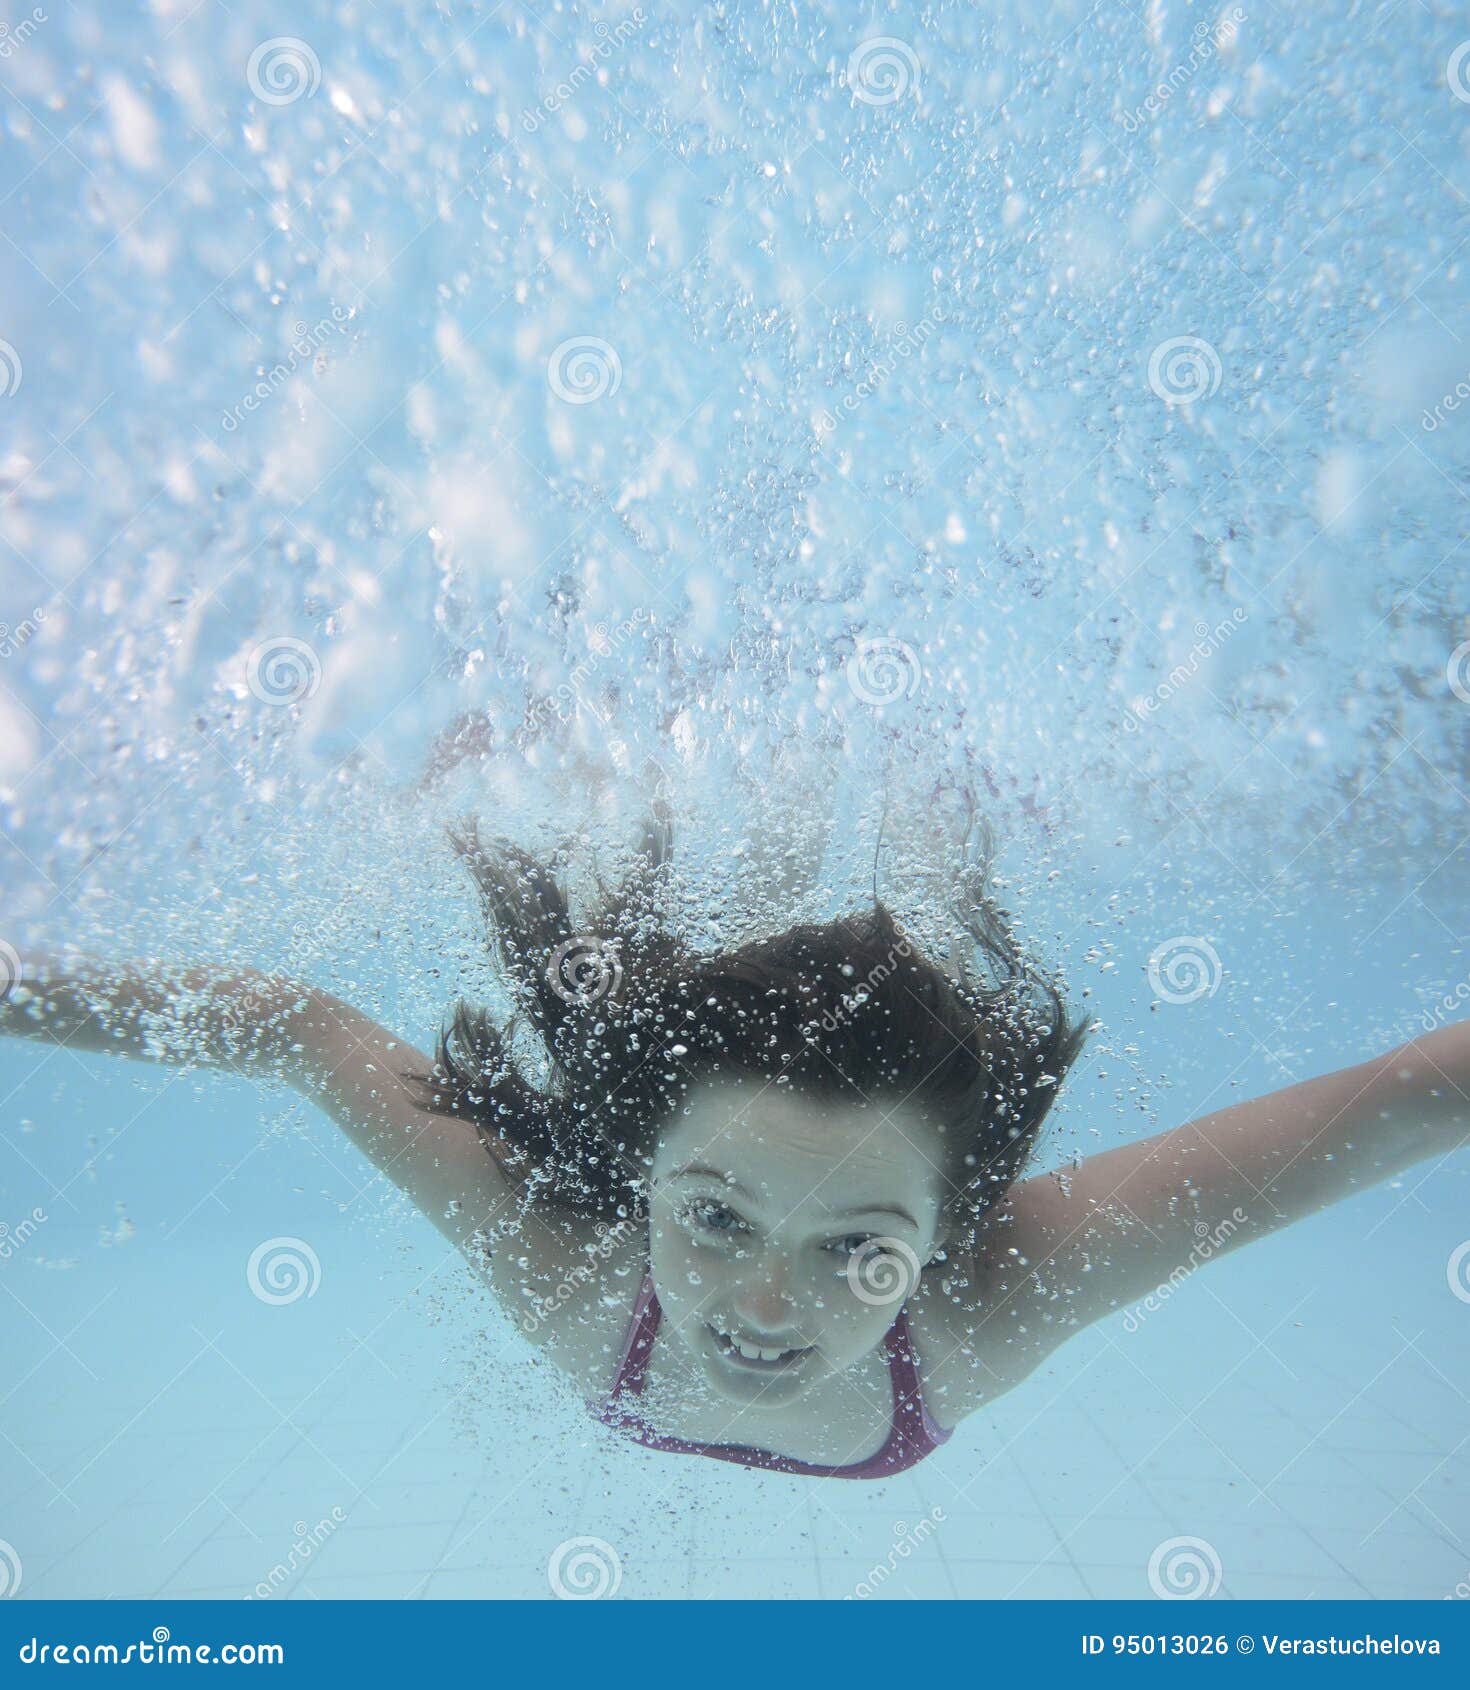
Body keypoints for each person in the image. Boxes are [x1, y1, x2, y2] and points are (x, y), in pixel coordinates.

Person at [3, 809, 1465, 1480]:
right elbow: (300, 1028)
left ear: (951, 1232)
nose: (766, 1310)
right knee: (745, 870)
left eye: (854, 1247)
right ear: (637, 1181)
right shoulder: (577, 1264)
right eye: (710, 1219)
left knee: (842, 870)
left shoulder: (992, 1291)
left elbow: (1409, 1095)